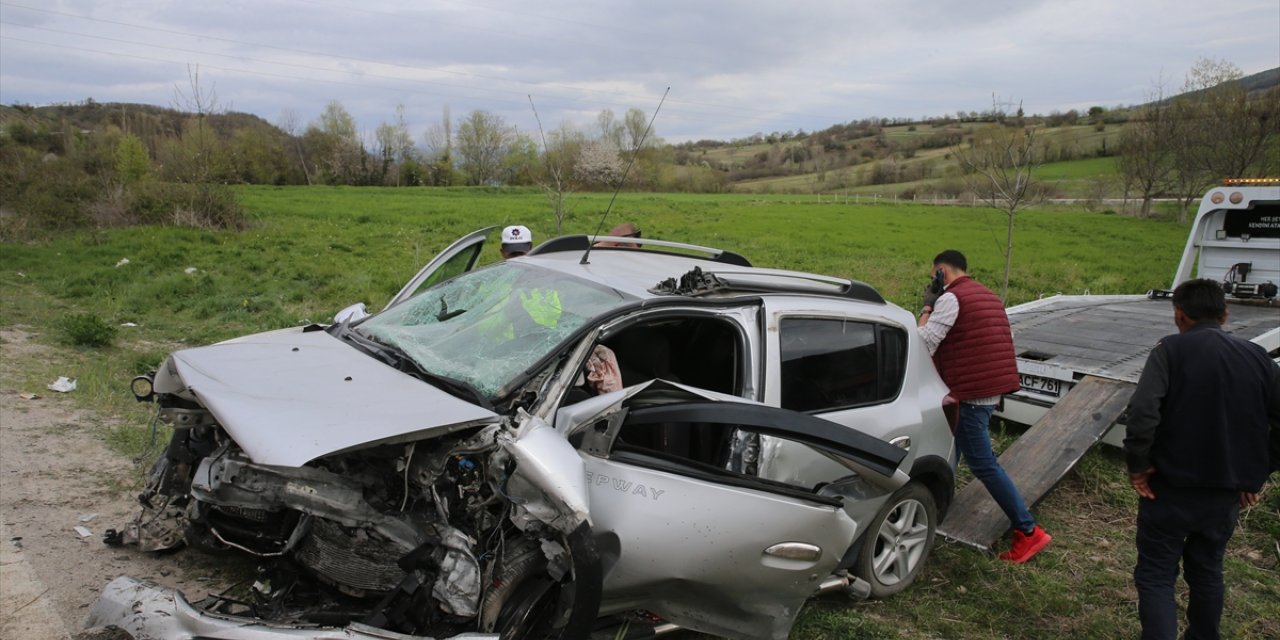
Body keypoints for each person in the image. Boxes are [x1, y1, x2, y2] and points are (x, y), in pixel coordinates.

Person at [1123, 278, 1279, 640]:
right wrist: (1256, 473)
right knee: (1208, 570)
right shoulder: (1259, 359)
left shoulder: (1169, 352)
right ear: (1224, 316)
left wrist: (1139, 465)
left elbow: (1143, 414)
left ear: (1179, 315)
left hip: (1168, 489)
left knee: (1157, 574)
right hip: (1224, 494)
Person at [918, 249, 1051, 563]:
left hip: (969, 396)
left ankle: (1029, 531)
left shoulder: (951, 299)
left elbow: (923, 342)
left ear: (940, 271)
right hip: (987, 392)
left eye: (932, 276)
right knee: (950, 451)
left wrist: (927, 305)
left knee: (984, 465)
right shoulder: (988, 295)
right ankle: (936, 512)